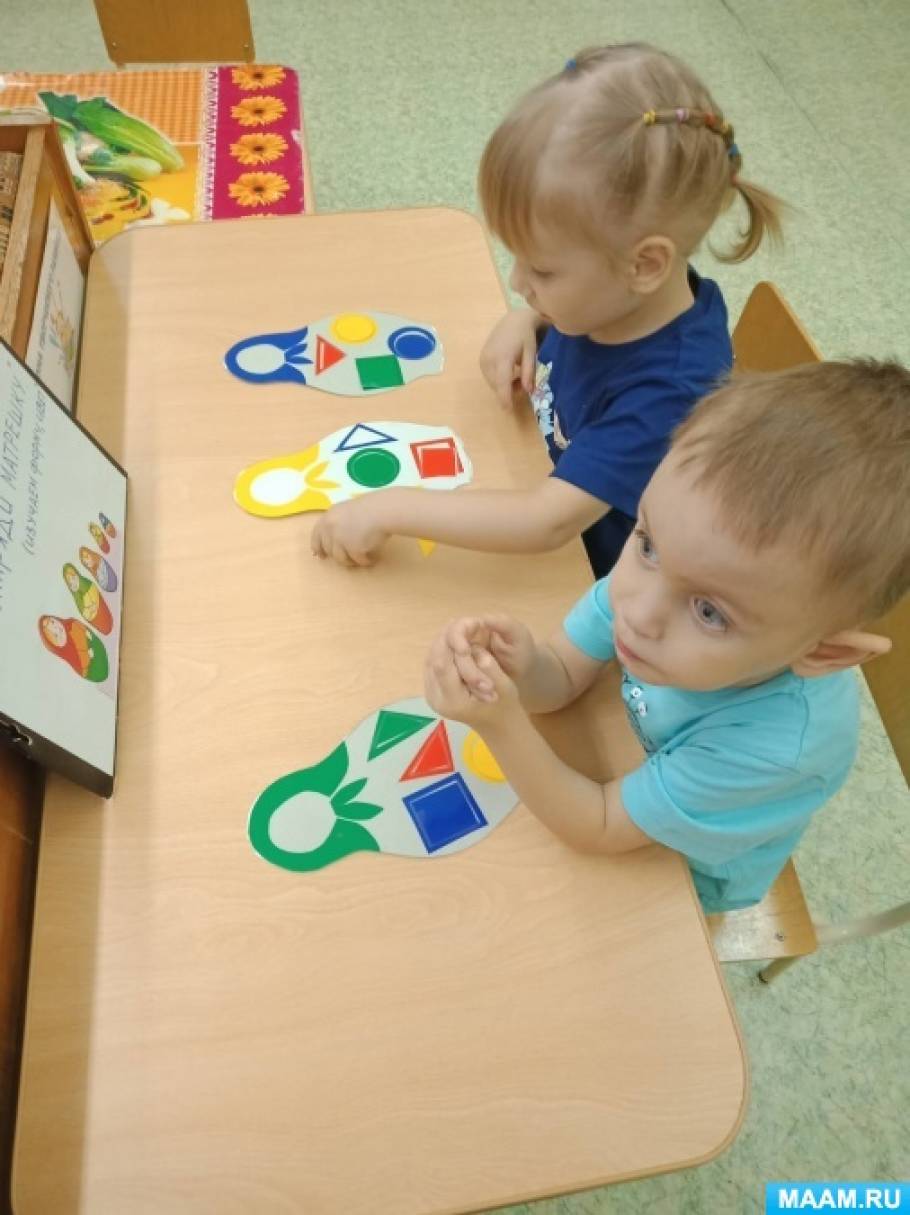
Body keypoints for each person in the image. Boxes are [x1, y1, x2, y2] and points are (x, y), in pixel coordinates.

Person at [422, 361, 910, 912]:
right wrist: (524, 666)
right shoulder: (673, 572)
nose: (637, 613)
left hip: (683, 875)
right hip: (627, 766)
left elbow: (598, 824)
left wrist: (501, 724)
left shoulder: (778, 751)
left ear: (823, 651)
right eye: (647, 542)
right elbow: (561, 678)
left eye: (709, 613)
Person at [312, 43, 783, 575]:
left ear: (645, 264)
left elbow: (547, 523)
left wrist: (390, 509)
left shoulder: (672, 390)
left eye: (542, 271)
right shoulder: (622, 299)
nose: (517, 283)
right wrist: (532, 318)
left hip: (595, 579)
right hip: (527, 473)